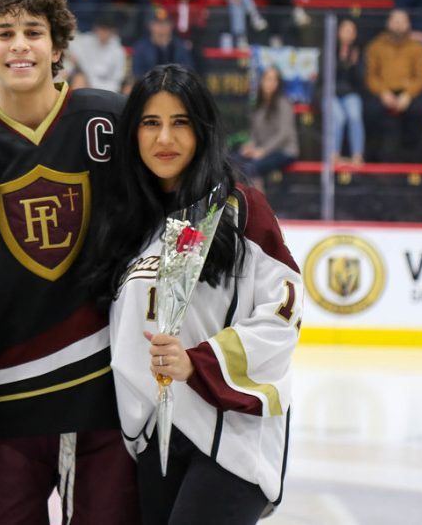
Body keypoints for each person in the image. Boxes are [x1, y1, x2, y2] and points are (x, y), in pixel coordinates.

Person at [86, 63, 301, 525]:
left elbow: (284, 312)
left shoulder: (239, 208)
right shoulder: (126, 224)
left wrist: (201, 362)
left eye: (180, 122)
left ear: (203, 130)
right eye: (151, 123)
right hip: (153, 436)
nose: (165, 138)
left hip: (230, 433)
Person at [0, 0, 140, 525]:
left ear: (58, 46)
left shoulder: (108, 118)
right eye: (4, 33)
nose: (19, 45)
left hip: (105, 393)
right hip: (4, 397)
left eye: (33, 32)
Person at [364, 8, 422, 162]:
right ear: (388, 23)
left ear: (409, 24)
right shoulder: (375, 46)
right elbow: (371, 76)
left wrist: (408, 94)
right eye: (395, 21)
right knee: (370, 110)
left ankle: (410, 155)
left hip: (408, 92)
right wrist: (382, 92)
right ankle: (373, 155)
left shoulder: (417, 47)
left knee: (418, 110)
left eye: (402, 21)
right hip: (383, 91)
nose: (399, 25)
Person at [233, 66, 299, 188]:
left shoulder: (283, 103)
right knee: (235, 161)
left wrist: (263, 151)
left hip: (284, 151)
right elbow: (255, 134)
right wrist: (250, 146)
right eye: (267, 79)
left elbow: (283, 134)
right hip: (263, 150)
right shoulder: (259, 104)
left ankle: (259, 206)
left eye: (273, 80)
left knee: (252, 168)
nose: (270, 83)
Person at [331, 18, 366, 165]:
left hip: (350, 93)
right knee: (338, 117)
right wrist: (341, 61)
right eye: (344, 30)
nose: (347, 34)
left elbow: (361, 81)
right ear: (338, 32)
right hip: (330, 94)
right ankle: (334, 155)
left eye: (351, 31)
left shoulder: (359, 53)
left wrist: (354, 64)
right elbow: (325, 76)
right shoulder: (329, 49)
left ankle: (357, 155)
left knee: (354, 115)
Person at [67, 14, 128, 93]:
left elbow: (118, 78)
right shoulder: (87, 40)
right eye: (100, 30)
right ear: (96, 29)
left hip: (108, 88)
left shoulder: (118, 51)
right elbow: (71, 45)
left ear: (112, 31)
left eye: (105, 31)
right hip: (87, 82)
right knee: (79, 79)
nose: (102, 33)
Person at [131, 6, 195, 79]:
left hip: (175, 86)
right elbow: (137, 72)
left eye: (165, 23)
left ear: (171, 26)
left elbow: (188, 71)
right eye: (158, 23)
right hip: (149, 85)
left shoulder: (180, 46)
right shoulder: (141, 47)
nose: (161, 27)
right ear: (150, 25)